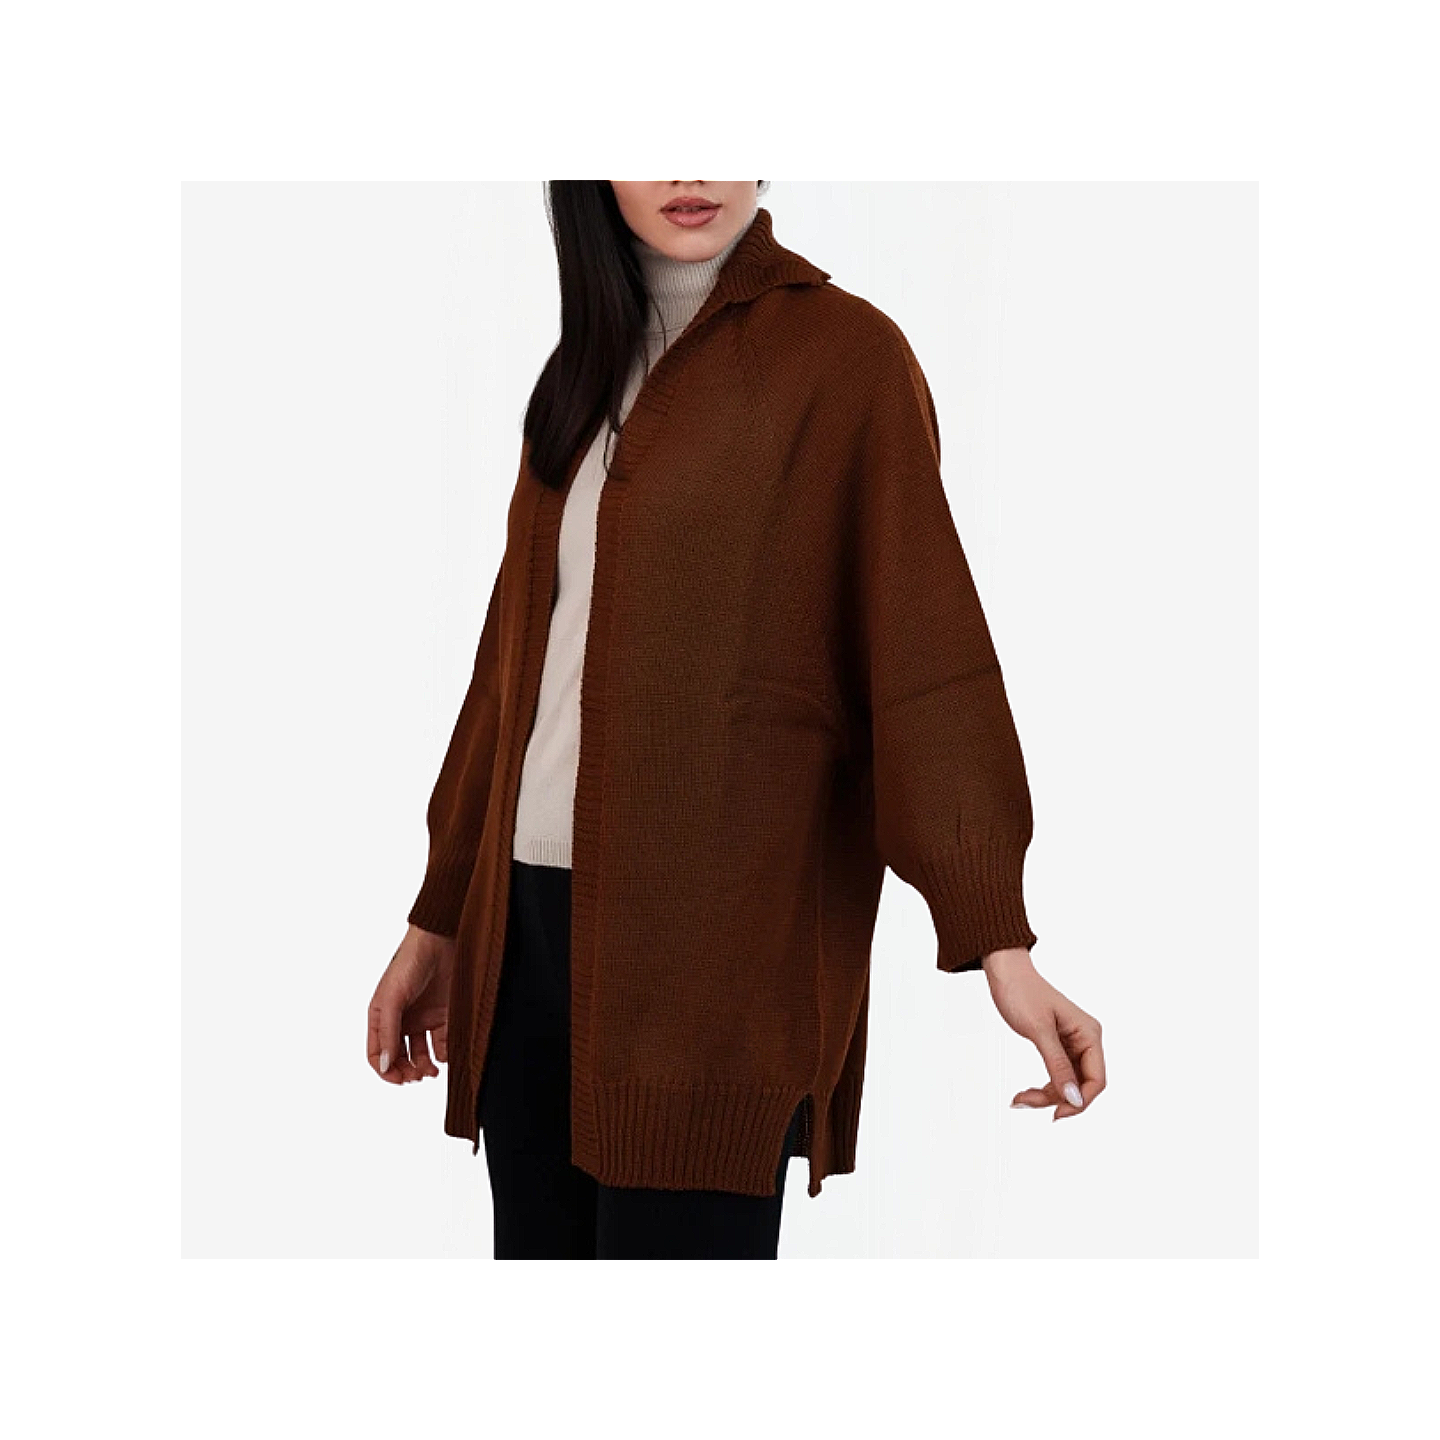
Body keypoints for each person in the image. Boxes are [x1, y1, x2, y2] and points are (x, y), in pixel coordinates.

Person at [367, 182, 1106, 1260]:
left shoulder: (846, 361)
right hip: (518, 942)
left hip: (712, 967)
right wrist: (439, 918)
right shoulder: (579, 371)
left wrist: (1000, 937)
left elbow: (926, 664)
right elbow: (511, 672)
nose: (691, 167)